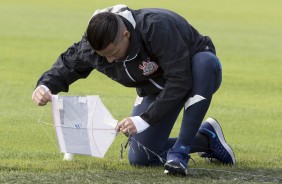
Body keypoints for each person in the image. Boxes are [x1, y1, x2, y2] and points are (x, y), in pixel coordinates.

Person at [32, 4, 235, 176]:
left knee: (204, 63)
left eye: (113, 53)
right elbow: (68, 64)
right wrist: (44, 86)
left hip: (193, 74)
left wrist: (144, 119)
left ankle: (180, 151)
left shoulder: (155, 26)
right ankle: (207, 139)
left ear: (126, 35)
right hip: (156, 87)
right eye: (103, 56)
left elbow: (180, 79)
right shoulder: (93, 48)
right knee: (141, 157)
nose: (109, 60)